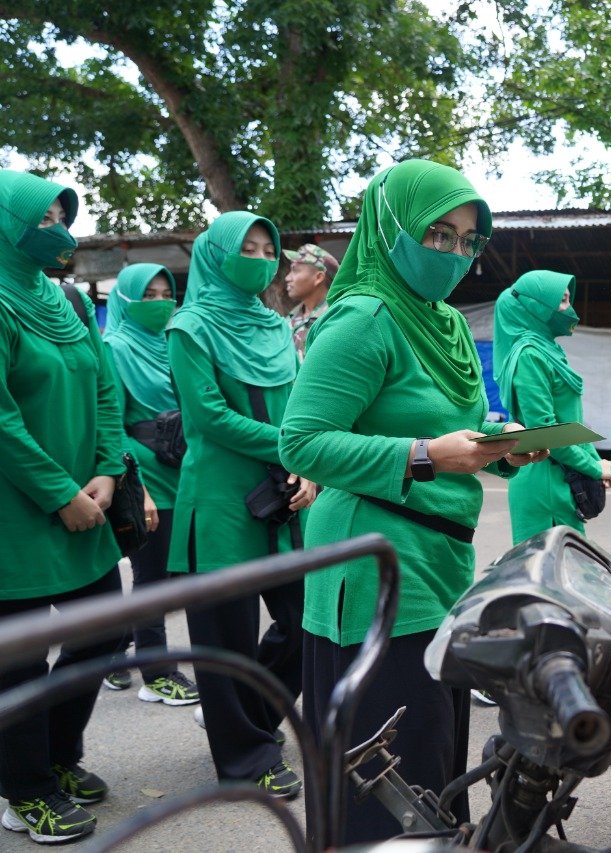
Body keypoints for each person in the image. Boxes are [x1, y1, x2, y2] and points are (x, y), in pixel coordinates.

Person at [279, 159, 549, 844]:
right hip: (372, 571)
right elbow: (302, 442)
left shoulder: (445, 323)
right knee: (386, 785)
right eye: (437, 233)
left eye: (466, 240)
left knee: (432, 766)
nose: (454, 253)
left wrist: (502, 442)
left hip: (438, 562)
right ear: (390, 225)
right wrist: (424, 455)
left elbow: (445, 416)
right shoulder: (364, 318)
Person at [167, 210, 317, 800]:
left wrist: (306, 462)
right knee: (224, 640)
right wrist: (291, 447)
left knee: (307, 623)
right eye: (245, 248)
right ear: (215, 254)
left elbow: (301, 400)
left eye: (266, 249)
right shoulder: (190, 327)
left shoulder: (276, 327)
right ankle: (244, 756)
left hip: (286, 491)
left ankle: (246, 719)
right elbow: (208, 417)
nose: (258, 259)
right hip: (224, 499)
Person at [0, 170, 126, 844]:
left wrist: (107, 468)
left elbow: (104, 384)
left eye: (61, 214)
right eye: (42, 217)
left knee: (104, 631)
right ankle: (23, 789)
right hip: (16, 516)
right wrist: (59, 493)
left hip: (90, 505)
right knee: (16, 660)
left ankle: (54, 752)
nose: (58, 228)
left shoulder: (69, 303)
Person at [99, 263, 200, 706]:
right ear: (124, 300)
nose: (160, 303)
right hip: (146, 473)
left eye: (166, 294)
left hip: (187, 468)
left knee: (177, 572)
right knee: (154, 576)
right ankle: (157, 673)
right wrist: (139, 488)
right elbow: (111, 426)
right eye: (149, 295)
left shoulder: (173, 343)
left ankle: (114, 652)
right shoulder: (114, 348)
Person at [494, 270, 610, 544]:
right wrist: (595, 469)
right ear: (536, 307)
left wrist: (594, 462)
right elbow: (545, 432)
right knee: (547, 575)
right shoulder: (530, 356)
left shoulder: (549, 350)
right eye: (562, 301)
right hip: (544, 484)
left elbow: (569, 423)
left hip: (562, 480)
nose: (570, 310)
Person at [283, 242, 338, 360]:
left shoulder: (334, 318)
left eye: (295, 270)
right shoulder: (292, 317)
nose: (287, 278)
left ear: (318, 277)